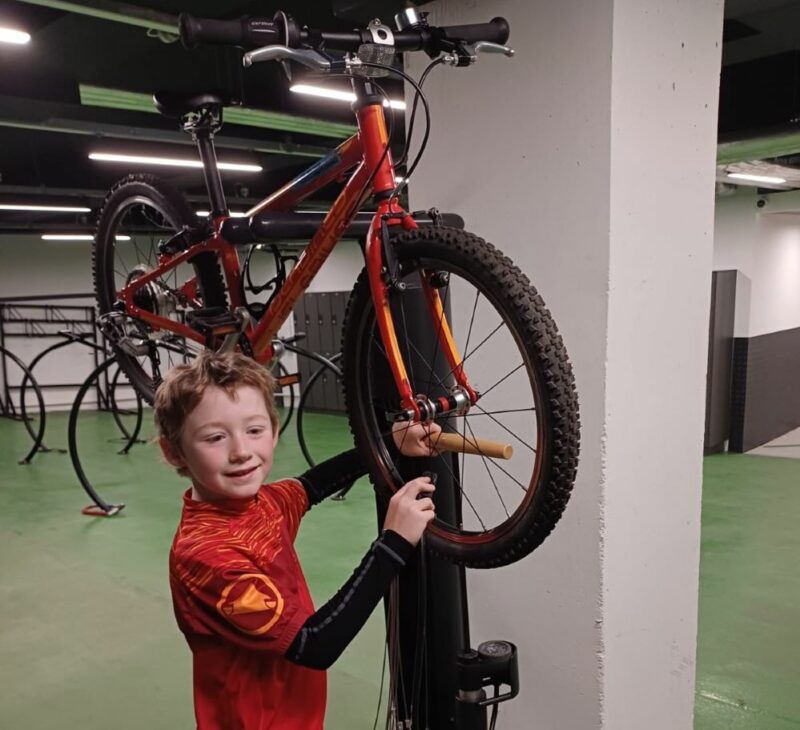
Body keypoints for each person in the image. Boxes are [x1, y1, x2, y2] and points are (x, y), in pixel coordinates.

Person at [153, 350, 441, 730]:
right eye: (215, 437)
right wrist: (393, 542)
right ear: (174, 452)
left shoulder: (261, 503)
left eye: (254, 430)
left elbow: (311, 485)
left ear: (274, 431)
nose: (241, 452)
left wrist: (390, 443)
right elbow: (314, 645)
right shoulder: (206, 555)